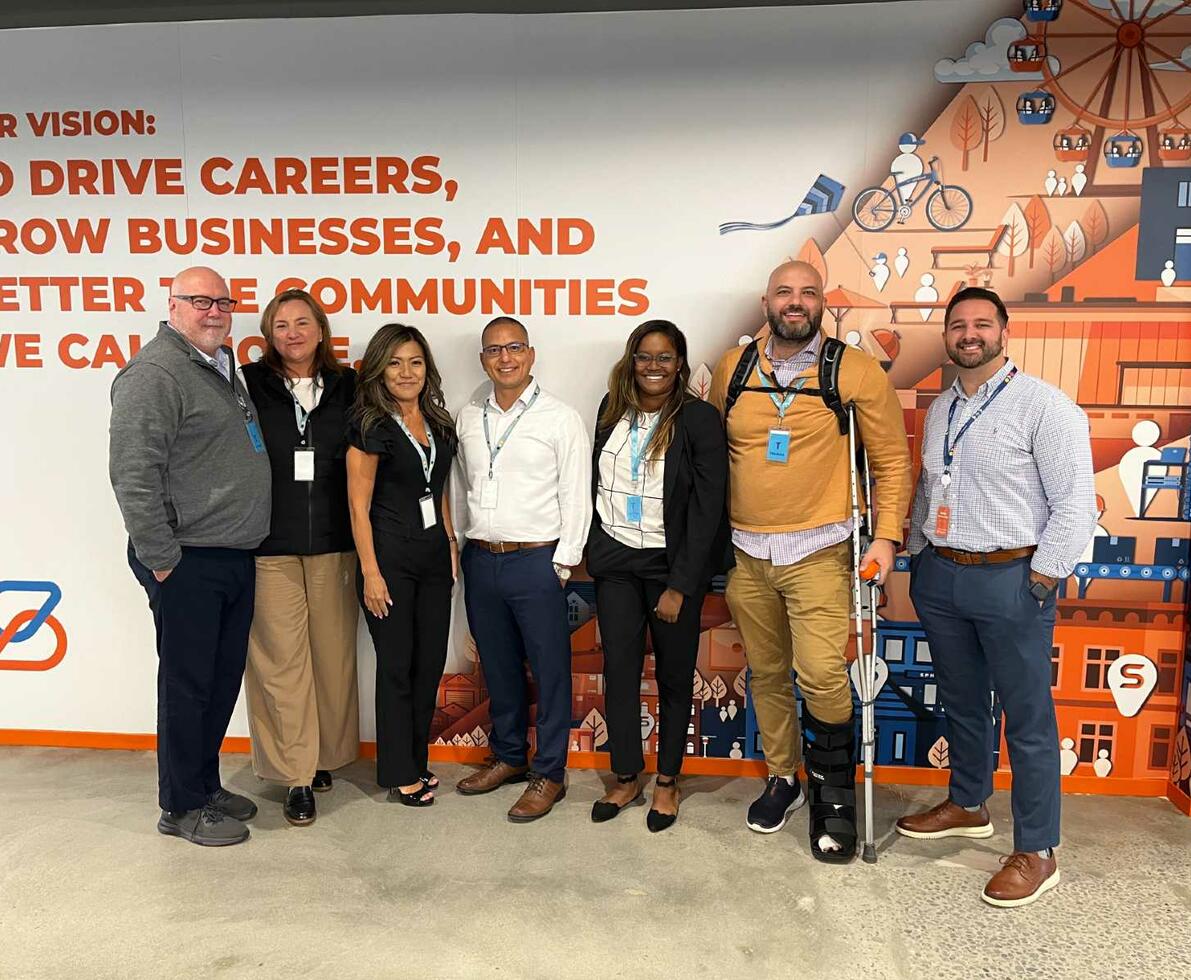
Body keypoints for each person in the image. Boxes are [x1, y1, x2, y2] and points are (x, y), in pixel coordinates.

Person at [898, 286, 1096, 908]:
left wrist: (1041, 579)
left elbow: (1075, 504)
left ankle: (1038, 849)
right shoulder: (940, 408)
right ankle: (967, 802)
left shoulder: (1046, 407)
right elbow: (932, 488)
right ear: (948, 337)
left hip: (1013, 577)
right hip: (943, 576)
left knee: (1027, 718)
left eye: (982, 324)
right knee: (960, 700)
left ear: (1004, 333)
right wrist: (914, 550)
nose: (969, 334)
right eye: (958, 326)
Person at [708, 261, 912, 863]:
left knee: (821, 675)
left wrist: (887, 538)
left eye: (808, 293)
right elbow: (713, 448)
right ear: (765, 300)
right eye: (784, 292)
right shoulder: (733, 368)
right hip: (748, 553)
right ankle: (783, 778)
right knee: (767, 674)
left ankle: (834, 791)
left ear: (823, 303)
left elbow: (892, 463)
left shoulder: (853, 370)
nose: (795, 302)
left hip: (820, 552)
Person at [109, 266, 271, 847]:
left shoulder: (218, 365)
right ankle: (178, 807)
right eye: (200, 301)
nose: (214, 311)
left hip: (231, 554)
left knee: (219, 680)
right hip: (188, 560)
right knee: (187, 686)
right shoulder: (155, 373)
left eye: (223, 302)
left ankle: (204, 786)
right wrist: (162, 559)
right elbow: (133, 473)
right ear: (172, 304)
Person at [587, 320, 729, 832]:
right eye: (645, 356)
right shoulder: (610, 411)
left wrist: (681, 585)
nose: (653, 365)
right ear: (631, 359)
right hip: (616, 563)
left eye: (664, 357)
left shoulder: (698, 419)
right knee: (619, 674)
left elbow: (708, 509)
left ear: (679, 363)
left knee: (672, 678)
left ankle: (667, 781)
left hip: (671, 568)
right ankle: (626, 775)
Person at [454, 317, 591, 822]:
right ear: (483, 359)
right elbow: (458, 486)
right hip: (481, 557)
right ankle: (509, 757)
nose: (505, 358)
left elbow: (577, 494)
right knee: (499, 666)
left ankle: (549, 772)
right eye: (494, 350)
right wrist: (459, 542)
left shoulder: (560, 418)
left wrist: (562, 563)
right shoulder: (469, 417)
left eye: (514, 348)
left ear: (531, 355)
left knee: (551, 671)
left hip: (537, 559)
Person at [240, 289, 359, 827]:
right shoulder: (248, 383)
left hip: (337, 543)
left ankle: (324, 757)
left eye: (302, 322)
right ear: (269, 333)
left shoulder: (348, 385)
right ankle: (295, 775)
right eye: (281, 324)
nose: (292, 333)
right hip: (271, 546)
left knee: (333, 660)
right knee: (281, 663)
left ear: (320, 329)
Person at [347, 324, 458, 807]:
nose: (406, 372)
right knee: (397, 667)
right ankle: (398, 771)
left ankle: (416, 760)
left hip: (434, 558)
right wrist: (370, 572)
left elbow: (441, 488)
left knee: (428, 666)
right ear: (378, 369)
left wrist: (451, 546)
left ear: (426, 369)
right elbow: (357, 505)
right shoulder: (369, 425)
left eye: (414, 362)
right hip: (389, 561)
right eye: (395, 363)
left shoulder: (438, 421)